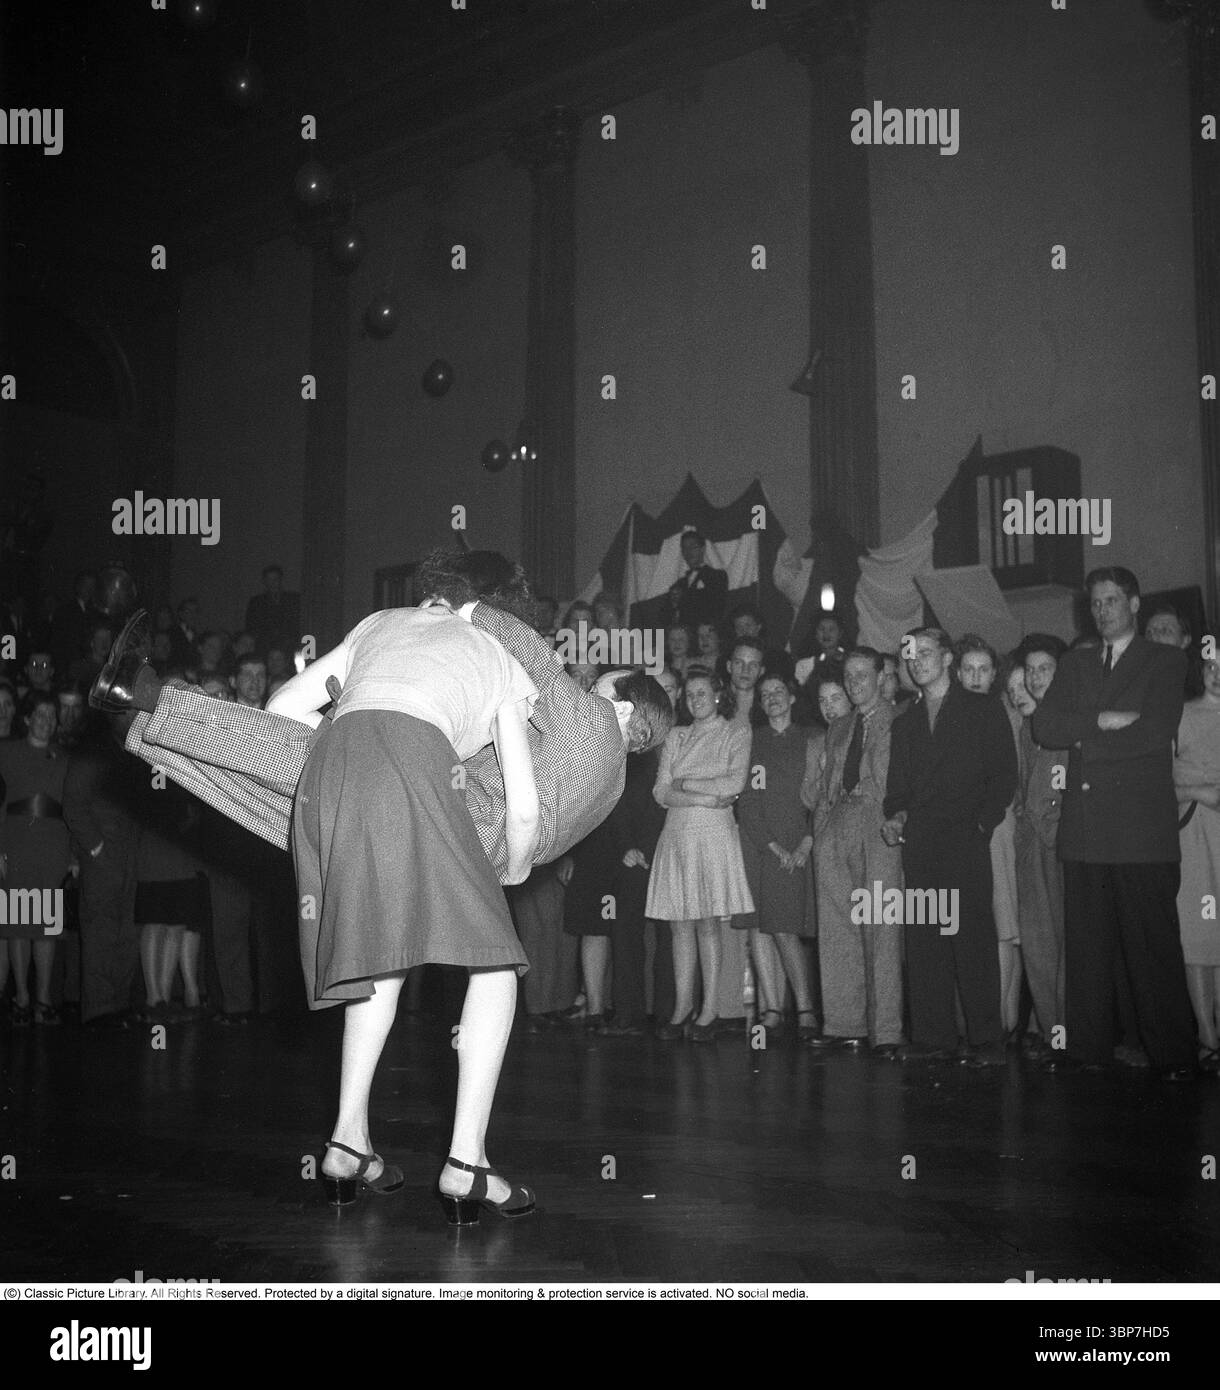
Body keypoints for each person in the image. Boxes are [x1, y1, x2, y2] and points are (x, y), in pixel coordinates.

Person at [267, 576, 544, 1221]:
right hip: (414, 763)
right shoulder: (500, 657)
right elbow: (524, 809)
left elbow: (282, 707)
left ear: (430, 601)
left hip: (330, 766)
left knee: (379, 959)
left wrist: (357, 731)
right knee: (497, 962)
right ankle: (466, 1162)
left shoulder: (378, 622)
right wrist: (516, 872)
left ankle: (347, 1144)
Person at [1032, 567, 1197, 1080]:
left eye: (1110, 601)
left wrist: (1083, 737)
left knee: (1153, 949)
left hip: (1139, 832)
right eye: (1095, 603)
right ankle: (1089, 1051)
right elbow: (1045, 726)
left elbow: (1153, 734)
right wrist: (1102, 720)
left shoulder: (1166, 660)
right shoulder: (1076, 662)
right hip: (1083, 832)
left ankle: (1174, 1056)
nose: (1102, 610)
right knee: (1088, 951)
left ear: (1134, 603)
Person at [882, 627, 1017, 1065]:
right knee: (925, 942)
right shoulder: (904, 724)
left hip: (965, 840)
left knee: (972, 939)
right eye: (911, 655)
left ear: (946, 659)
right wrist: (896, 817)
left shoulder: (981, 709)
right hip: (920, 843)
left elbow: (1003, 776)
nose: (917, 661)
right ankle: (933, 1037)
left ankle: (985, 1041)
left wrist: (982, 825)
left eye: (926, 653)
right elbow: (896, 791)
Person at [647, 668, 754, 1041]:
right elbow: (661, 792)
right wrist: (705, 798)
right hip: (677, 833)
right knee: (679, 922)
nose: (694, 701)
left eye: (701, 694)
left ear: (718, 695)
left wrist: (685, 783)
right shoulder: (677, 735)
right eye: (689, 695)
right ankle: (682, 1007)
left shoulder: (735, 731)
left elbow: (735, 783)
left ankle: (709, 1010)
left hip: (713, 836)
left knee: (708, 922)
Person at [807, 649, 904, 1056]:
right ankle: (845, 1022)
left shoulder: (901, 719)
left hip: (877, 820)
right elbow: (825, 783)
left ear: (882, 676)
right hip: (837, 824)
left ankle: (885, 1031)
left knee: (880, 927)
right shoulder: (840, 725)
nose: (854, 683)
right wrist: (821, 831)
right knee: (837, 928)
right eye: (849, 676)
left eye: (863, 674)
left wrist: (899, 817)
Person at [736, 674, 817, 1040]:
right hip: (762, 848)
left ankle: (804, 1009)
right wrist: (773, 846)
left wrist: (804, 844)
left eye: (778, 691)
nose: (772, 698)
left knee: (786, 930)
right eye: (765, 694)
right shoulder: (755, 743)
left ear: (792, 696)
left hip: (801, 847)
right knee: (761, 928)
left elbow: (821, 796)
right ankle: (772, 1007)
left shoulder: (810, 739)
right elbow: (750, 802)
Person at [603, 667, 680, 1035]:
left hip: (669, 850)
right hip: (629, 850)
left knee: (669, 936)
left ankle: (667, 1014)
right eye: (657, 690)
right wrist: (626, 846)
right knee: (625, 933)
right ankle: (627, 1013)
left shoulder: (684, 740)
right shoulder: (631, 738)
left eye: (670, 689)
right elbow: (611, 794)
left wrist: (654, 847)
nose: (664, 695)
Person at [955, 635, 1023, 1040]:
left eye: (984, 670)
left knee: (1002, 924)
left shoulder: (1005, 714)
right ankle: (1001, 1020)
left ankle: (1000, 1019)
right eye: (969, 670)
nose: (976, 677)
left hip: (995, 827)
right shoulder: (955, 713)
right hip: (965, 831)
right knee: (984, 925)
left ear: (994, 674)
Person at [0, 692, 72, 1025]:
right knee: (17, 926)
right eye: (39, 714)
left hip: (53, 846)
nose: (45, 719)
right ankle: (22, 998)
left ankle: (43, 998)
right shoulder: (6, 752)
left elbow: (73, 809)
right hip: (15, 845)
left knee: (45, 927)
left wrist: (73, 855)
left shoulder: (65, 757)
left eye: (51, 715)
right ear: (27, 718)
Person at [1012, 635, 1067, 1059]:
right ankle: (1052, 1031)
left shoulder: (1069, 720)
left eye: (1043, 668)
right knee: (1038, 944)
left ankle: (1065, 1034)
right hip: (1031, 846)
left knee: (1065, 945)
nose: (1034, 677)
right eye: (1029, 670)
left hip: (1064, 847)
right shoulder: (1028, 726)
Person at [1173, 648, 1220, 1072]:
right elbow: (1152, 787)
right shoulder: (1181, 716)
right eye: (1211, 665)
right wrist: (1198, 792)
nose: (1217, 674)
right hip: (1194, 834)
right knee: (1199, 936)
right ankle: (1207, 1037)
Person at [668, 530, 727, 631]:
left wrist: (683, 601)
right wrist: (674, 604)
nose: (688, 552)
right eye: (684, 548)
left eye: (693, 547)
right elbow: (665, 617)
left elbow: (716, 609)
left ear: (703, 549)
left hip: (704, 636)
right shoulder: (678, 584)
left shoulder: (717, 576)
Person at [245, 565, 301, 657]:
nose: (272, 583)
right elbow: (251, 627)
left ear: (281, 580)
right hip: (265, 648)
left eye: (275, 579)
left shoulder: (294, 599)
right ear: (264, 582)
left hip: (290, 648)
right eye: (269, 580)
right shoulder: (256, 602)